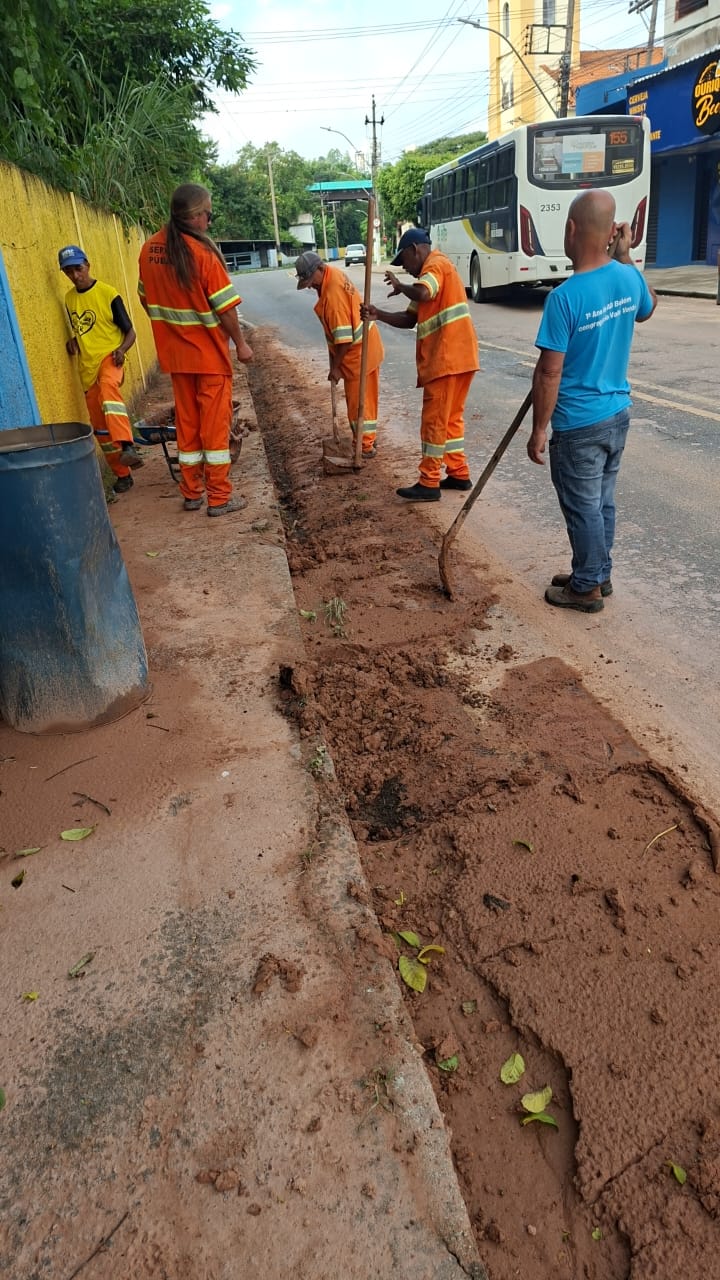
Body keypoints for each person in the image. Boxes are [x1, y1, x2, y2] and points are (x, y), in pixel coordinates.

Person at [527, 189, 657, 613]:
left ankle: (586, 586)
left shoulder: (564, 297)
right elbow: (647, 308)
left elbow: (549, 372)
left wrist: (539, 430)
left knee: (583, 507)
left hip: (579, 424)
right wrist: (625, 256)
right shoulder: (626, 276)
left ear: (571, 230)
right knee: (601, 502)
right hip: (617, 415)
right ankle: (596, 571)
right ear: (611, 232)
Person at [137, 183, 253, 516]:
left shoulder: (149, 250)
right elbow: (225, 309)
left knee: (187, 426)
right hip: (209, 357)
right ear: (197, 216)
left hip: (176, 357)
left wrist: (172, 328)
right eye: (208, 215)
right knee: (215, 428)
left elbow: (146, 298)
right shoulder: (203, 255)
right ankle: (219, 497)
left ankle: (191, 493)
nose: (209, 222)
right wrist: (242, 345)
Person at [360, 227, 479, 501]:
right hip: (459, 358)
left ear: (415, 250)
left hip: (447, 359)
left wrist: (402, 287)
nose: (407, 269)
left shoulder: (435, 265)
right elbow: (409, 318)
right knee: (450, 421)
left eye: (404, 262)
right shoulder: (431, 273)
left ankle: (429, 482)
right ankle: (459, 473)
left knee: (434, 422)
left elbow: (424, 293)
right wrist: (379, 315)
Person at [59, 244, 142, 495]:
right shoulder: (69, 299)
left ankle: (128, 445)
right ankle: (122, 475)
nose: (75, 275)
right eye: (69, 272)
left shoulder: (108, 293)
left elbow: (130, 332)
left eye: (78, 269)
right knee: (101, 428)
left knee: (108, 390)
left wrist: (121, 350)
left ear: (88, 265)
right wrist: (74, 342)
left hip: (110, 358)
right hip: (87, 368)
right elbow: (82, 330)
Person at [295, 251, 384, 458]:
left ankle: (364, 444)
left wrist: (335, 368)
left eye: (310, 281)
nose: (310, 286)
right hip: (365, 348)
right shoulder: (331, 275)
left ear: (320, 269)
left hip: (358, 353)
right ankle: (367, 438)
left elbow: (343, 340)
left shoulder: (332, 294)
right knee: (366, 399)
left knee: (359, 402)